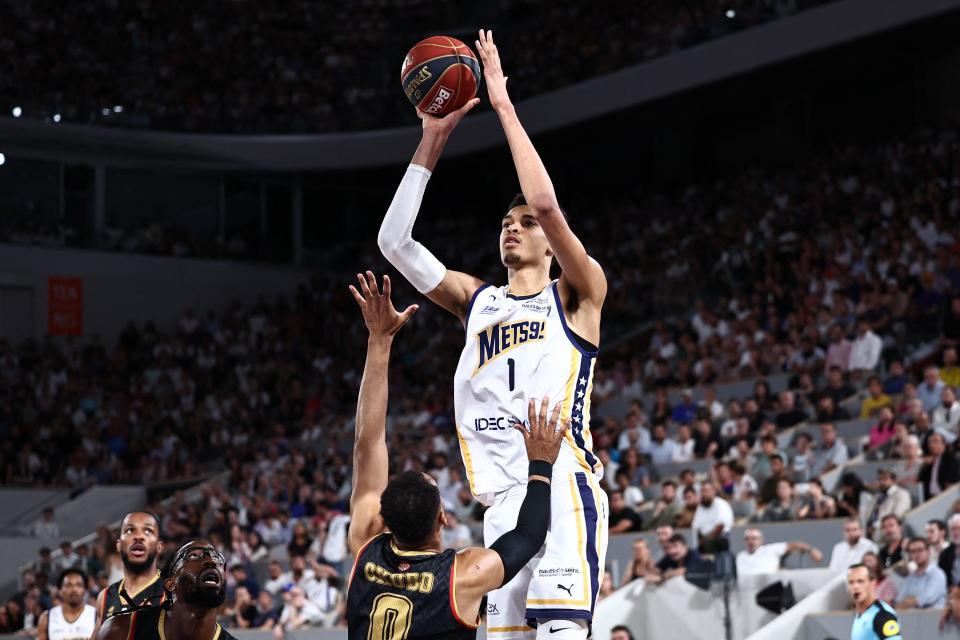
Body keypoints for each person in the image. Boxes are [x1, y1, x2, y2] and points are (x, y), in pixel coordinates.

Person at [379, 30, 607, 639]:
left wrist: (502, 105)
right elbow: (393, 244)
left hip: (560, 484)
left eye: (525, 224)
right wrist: (430, 142)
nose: (514, 228)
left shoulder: (576, 295)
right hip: (500, 505)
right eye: (507, 222)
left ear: (550, 245)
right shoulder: (476, 301)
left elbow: (547, 202)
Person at [344, 272, 567, 639]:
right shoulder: (461, 576)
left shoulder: (365, 547)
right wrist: (542, 463)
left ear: (382, 518)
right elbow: (529, 537)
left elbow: (367, 442)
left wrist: (378, 341)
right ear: (443, 517)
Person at [94, 540, 237, 640]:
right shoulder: (122, 630)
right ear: (170, 584)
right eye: (194, 555)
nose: (211, 561)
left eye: (217, 557)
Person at [91, 512, 166, 637]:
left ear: (159, 546)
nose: (138, 536)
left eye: (148, 531)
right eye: (130, 530)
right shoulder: (104, 597)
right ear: (119, 545)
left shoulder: (173, 593)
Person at [846, 564, 902, 640]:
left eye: (860, 581)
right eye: (851, 582)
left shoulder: (882, 615)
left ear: (872, 583)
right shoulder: (860, 614)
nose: (855, 586)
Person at [37, 569, 95, 640]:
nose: (74, 589)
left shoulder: (96, 615)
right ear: (60, 590)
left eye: (79, 585)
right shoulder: (46, 618)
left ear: (85, 590)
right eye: (69, 585)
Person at [736, 529, 822, 575]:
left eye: (754, 539)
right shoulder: (740, 556)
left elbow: (795, 544)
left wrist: (811, 550)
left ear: (761, 540)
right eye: (748, 539)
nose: (751, 542)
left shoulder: (770, 549)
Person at [896, 537, 947, 609]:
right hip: (912, 618)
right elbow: (899, 600)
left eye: (920, 550)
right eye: (913, 551)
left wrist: (908, 601)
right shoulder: (910, 577)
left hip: (934, 617)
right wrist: (907, 602)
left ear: (928, 551)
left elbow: (927, 599)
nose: (917, 554)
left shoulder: (937, 574)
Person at [865, 470, 911, 543]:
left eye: (885, 479)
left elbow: (897, 516)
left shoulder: (901, 494)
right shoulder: (876, 497)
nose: (881, 482)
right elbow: (867, 515)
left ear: (894, 481)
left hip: (884, 531)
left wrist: (876, 527)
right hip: (868, 532)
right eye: (879, 480)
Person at [691, 482, 733, 553]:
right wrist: (698, 539)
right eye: (702, 491)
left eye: (706, 491)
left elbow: (720, 526)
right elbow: (695, 527)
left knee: (709, 541)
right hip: (703, 538)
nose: (704, 494)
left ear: (714, 491)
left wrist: (704, 539)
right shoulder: (700, 507)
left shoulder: (721, 504)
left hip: (720, 537)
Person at [919, 432, 959, 500]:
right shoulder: (929, 462)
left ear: (944, 444)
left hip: (944, 497)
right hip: (928, 498)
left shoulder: (951, 459)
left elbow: (952, 483)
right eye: (929, 442)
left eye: (936, 441)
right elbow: (921, 481)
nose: (932, 445)